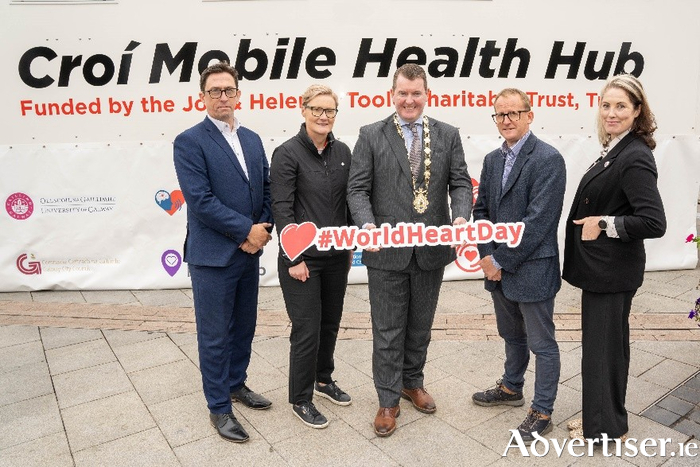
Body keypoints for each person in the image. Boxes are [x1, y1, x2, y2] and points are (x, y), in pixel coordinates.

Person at [347, 63, 472, 437]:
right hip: (385, 252)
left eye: (416, 93)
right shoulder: (371, 135)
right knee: (387, 329)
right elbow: (356, 190)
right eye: (403, 93)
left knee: (420, 326)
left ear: (426, 95)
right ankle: (387, 399)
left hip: (431, 251)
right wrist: (368, 226)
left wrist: (462, 216)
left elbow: (460, 183)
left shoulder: (448, 135)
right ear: (392, 95)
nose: (409, 100)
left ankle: (411, 382)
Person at [173, 61, 274, 443]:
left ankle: (236, 384)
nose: (222, 97)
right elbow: (200, 200)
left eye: (228, 90)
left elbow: (265, 190)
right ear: (202, 97)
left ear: (238, 94)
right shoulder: (190, 140)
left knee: (244, 327)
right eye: (214, 91)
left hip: (249, 252)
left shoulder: (251, 138)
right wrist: (245, 231)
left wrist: (262, 231)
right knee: (214, 335)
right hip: (213, 257)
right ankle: (219, 407)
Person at [563, 74, 666, 442]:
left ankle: (606, 428)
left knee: (603, 351)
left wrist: (603, 223)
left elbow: (654, 221)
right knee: (603, 348)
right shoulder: (618, 148)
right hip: (603, 272)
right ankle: (602, 420)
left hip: (611, 272)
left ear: (638, 111)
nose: (611, 112)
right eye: (606, 105)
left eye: (621, 105)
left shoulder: (634, 156)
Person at [470, 88, 566, 443]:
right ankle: (512, 388)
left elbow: (539, 221)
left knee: (542, 344)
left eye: (514, 113)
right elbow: (481, 213)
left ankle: (543, 410)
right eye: (500, 115)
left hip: (532, 269)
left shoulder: (548, 159)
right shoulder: (493, 160)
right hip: (498, 269)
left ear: (530, 115)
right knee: (511, 335)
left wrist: (499, 259)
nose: (507, 120)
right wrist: (485, 254)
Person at [270, 84, 353, 429]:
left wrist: (353, 242)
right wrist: (294, 258)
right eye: (317, 109)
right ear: (303, 111)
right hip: (302, 258)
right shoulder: (287, 153)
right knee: (307, 329)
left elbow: (350, 201)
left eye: (329, 111)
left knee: (330, 323)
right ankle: (300, 398)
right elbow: (282, 209)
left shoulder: (344, 151)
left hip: (337, 256)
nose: (323, 116)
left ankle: (323, 379)